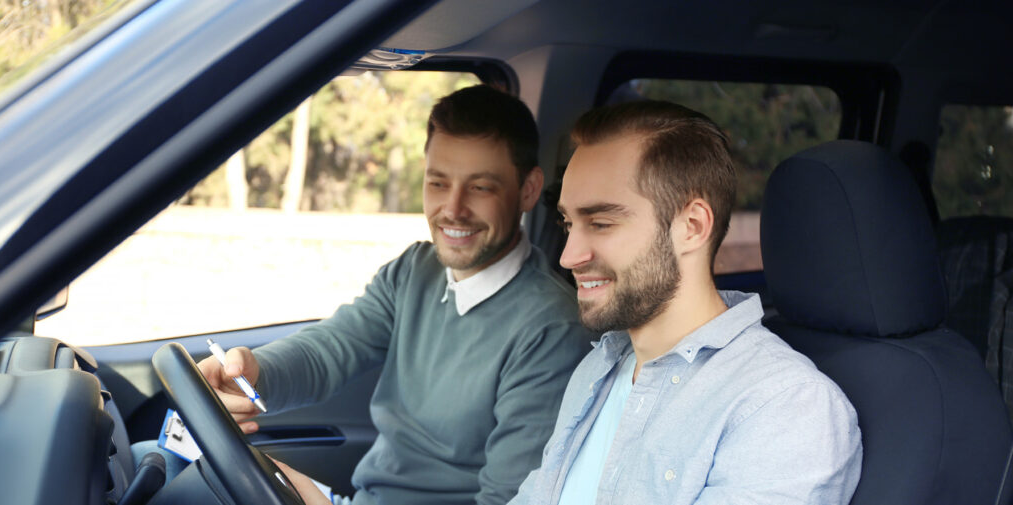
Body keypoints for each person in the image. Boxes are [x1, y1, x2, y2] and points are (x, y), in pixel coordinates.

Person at [198, 85, 594, 505]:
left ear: (529, 190)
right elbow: (330, 349)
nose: (453, 209)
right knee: (157, 459)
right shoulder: (414, 271)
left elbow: (506, 500)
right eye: (438, 183)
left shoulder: (552, 330)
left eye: (480, 188)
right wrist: (250, 373)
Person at [509, 101, 862, 504]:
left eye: (601, 223)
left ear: (691, 227)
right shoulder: (600, 366)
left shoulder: (785, 407)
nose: (568, 256)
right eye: (569, 224)